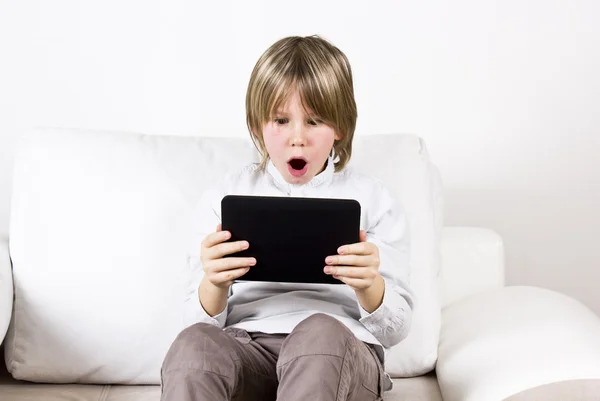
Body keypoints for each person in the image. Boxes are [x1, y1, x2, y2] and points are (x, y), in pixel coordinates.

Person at [160, 35, 414, 401]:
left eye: (314, 121)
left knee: (318, 336)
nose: (298, 138)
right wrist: (214, 283)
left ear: (339, 127)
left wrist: (369, 285)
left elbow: (395, 330)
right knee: (193, 346)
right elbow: (199, 325)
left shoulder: (375, 199)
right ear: (259, 125)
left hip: (340, 351)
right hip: (248, 349)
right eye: (281, 120)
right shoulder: (225, 195)